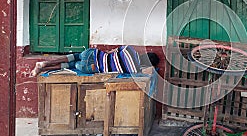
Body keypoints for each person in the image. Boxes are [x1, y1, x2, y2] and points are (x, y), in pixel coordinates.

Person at [30, 46, 159, 76]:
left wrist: (107, 55)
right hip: (91, 67)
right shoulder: (134, 70)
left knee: (74, 56)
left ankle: (44, 63)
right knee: (71, 66)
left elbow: (112, 51)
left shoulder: (129, 49)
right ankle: (44, 69)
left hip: (93, 54)